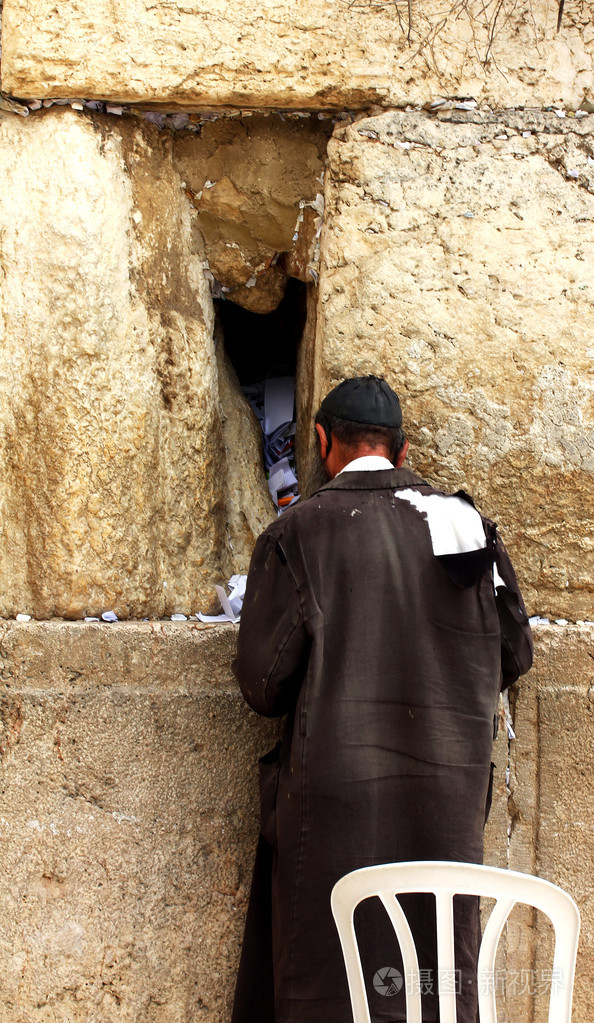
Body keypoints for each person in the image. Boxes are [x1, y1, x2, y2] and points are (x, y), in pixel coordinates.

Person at [231, 376, 533, 1023]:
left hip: (334, 823)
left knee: (329, 987)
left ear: (320, 443)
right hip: (444, 818)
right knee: (432, 988)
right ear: (401, 450)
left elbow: (264, 683)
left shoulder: (299, 531)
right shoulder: (466, 525)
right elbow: (515, 653)